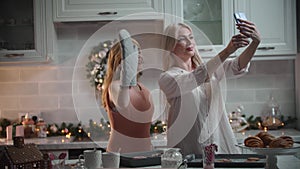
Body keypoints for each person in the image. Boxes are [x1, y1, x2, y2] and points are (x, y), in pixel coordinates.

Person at [159, 19, 261, 156]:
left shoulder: (211, 69)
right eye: (182, 39)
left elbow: (237, 66)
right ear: (170, 45)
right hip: (188, 150)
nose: (190, 43)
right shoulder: (168, 78)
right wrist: (227, 50)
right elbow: (197, 77)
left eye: (191, 37)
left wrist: (255, 43)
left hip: (219, 147)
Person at [101, 29, 154, 153]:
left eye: (139, 52)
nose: (140, 56)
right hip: (120, 154)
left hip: (145, 152)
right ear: (121, 59)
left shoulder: (144, 89)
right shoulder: (114, 86)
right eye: (134, 53)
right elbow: (123, 106)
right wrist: (126, 76)